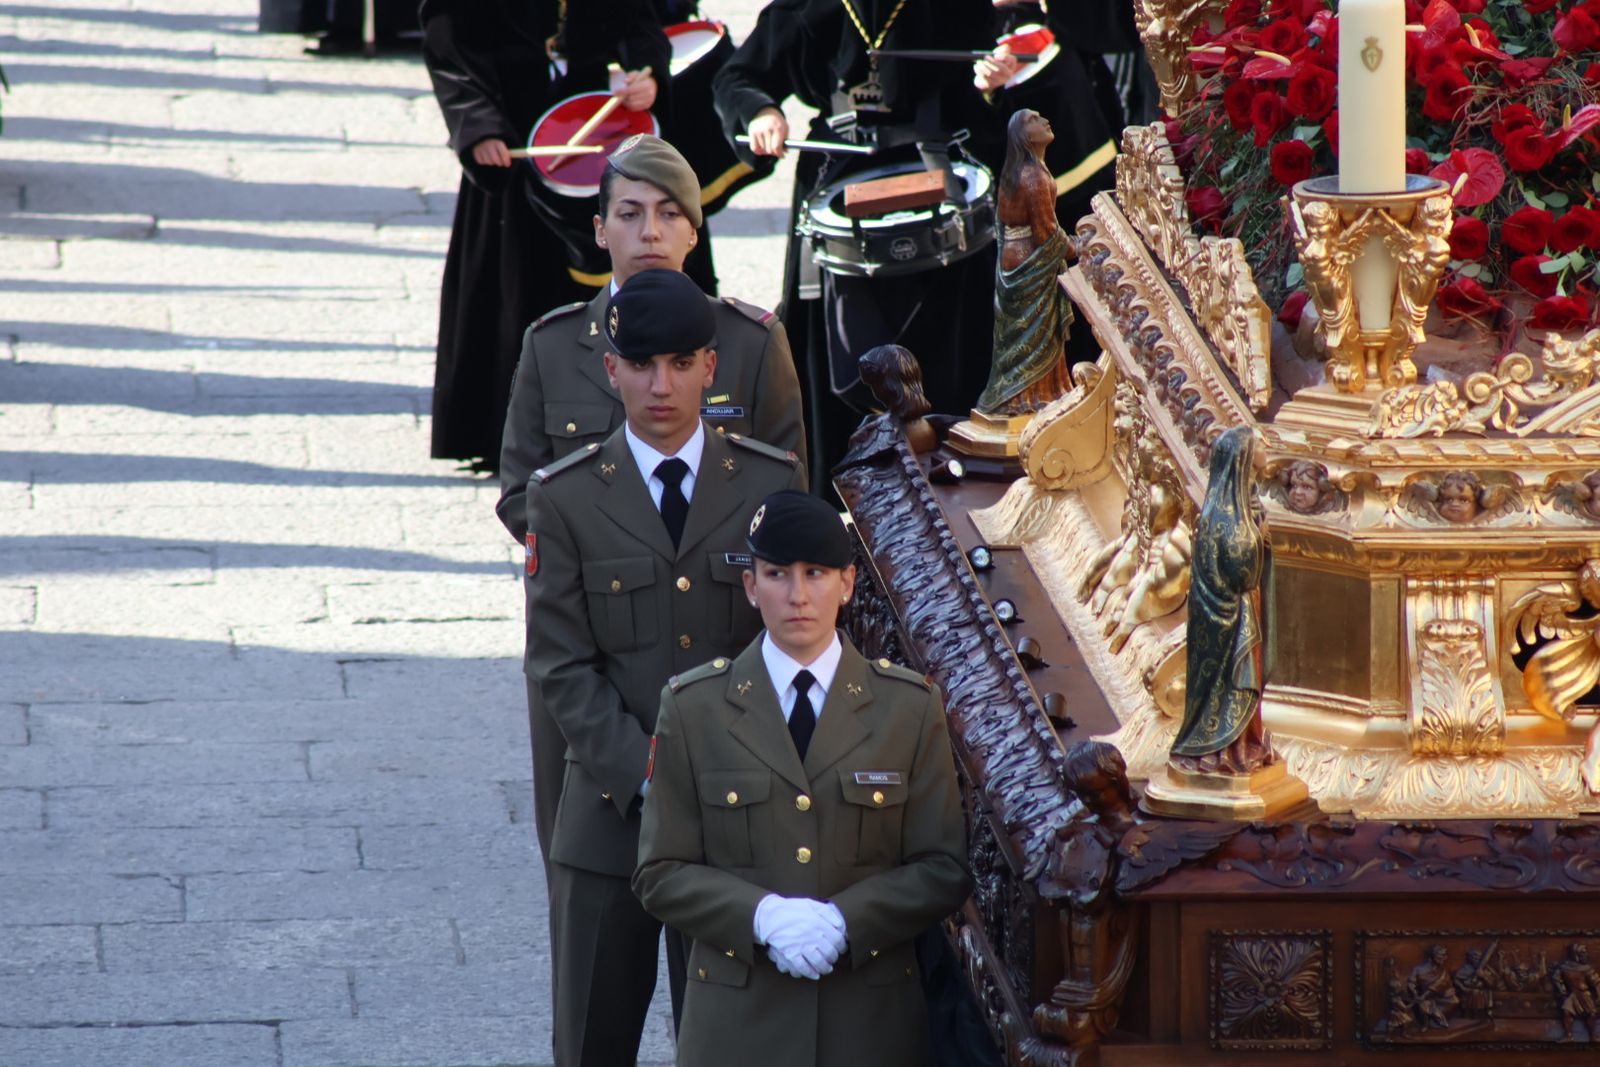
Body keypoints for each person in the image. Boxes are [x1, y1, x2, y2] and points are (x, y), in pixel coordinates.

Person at [499, 134, 808, 878]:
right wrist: (610, 542)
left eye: (670, 214)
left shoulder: (750, 342)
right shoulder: (553, 344)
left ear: (696, 231)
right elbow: (520, 494)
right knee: (589, 896)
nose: (650, 233)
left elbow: (790, 509)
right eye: (630, 214)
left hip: (722, 653)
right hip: (594, 647)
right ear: (599, 229)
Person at [524, 268, 805, 1066]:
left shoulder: (765, 482)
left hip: (736, 818)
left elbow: (791, 637)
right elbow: (561, 665)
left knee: (728, 1045)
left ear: (711, 368)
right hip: (612, 820)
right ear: (610, 369)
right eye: (642, 364)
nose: (661, 385)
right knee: (591, 1040)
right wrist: (649, 771)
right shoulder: (567, 498)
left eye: (681, 363)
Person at [634, 488, 970, 1067]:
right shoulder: (694, 707)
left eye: (815, 573)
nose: (797, 596)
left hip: (867, 1027)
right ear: (750, 586)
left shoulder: (908, 708)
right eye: (776, 574)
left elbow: (942, 868)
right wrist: (761, 916)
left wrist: (847, 920)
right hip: (739, 1029)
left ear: (847, 583)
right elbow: (660, 872)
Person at [713, 0, 1005, 488]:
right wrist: (760, 111)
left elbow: (1023, 51)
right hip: (838, 174)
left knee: (962, 349)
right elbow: (736, 79)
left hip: (943, 173)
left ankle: (963, 477)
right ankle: (841, 489)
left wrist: (1000, 79)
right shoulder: (804, 8)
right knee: (829, 354)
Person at [421, 0, 668, 473]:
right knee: (514, 284)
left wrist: (647, 75)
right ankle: (507, 432)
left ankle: (613, 422)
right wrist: (477, 124)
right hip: (512, 126)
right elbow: (448, 40)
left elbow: (641, 23)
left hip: (594, 127)